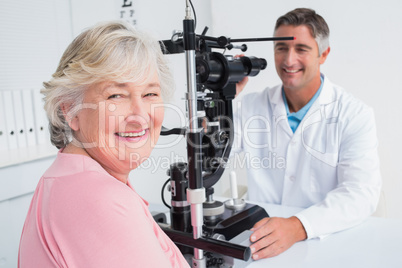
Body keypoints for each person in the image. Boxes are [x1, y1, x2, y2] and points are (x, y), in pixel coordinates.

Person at [18, 21, 189, 268]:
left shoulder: (69, 178)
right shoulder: (100, 201)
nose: (140, 115)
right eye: (116, 95)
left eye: (150, 94)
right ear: (70, 110)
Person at [233, 8, 382, 260]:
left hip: (327, 244)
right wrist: (224, 98)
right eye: (281, 48)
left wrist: (297, 225)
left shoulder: (354, 114)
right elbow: (211, 155)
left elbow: (361, 193)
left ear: (323, 54)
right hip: (258, 242)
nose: (289, 60)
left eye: (301, 49)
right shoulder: (249, 106)